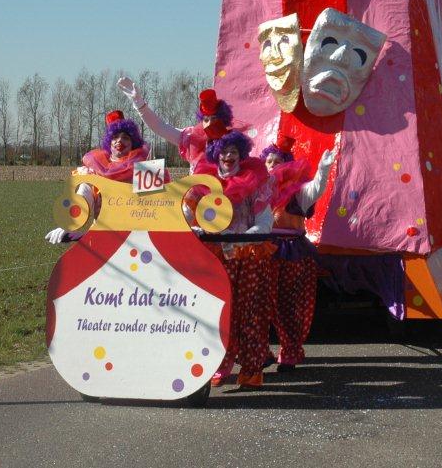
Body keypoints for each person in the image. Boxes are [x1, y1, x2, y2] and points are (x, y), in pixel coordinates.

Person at [194, 131, 276, 389]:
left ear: (241, 155)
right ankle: (217, 365)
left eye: (233, 151)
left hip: (247, 258)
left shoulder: (254, 182)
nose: (228, 156)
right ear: (215, 154)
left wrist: (244, 238)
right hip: (215, 258)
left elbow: (265, 221)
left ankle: (251, 371)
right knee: (215, 314)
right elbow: (190, 215)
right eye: (223, 151)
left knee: (251, 315)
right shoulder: (205, 185)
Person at [260, 135, 334, 371]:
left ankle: (290, 353)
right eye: (269, 161)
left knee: (290, 305)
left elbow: (315, 189)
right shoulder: (257, 190)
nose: (273, 165)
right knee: (259, 304)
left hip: (292, 251)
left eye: (278, 161)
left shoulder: (297, 192)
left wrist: (323, 170)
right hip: (263, 251)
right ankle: (259, 352)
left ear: (287, 165)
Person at [44, 110, 156, 244]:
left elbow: (159, 206)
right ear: (109, 142)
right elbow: (83, 197)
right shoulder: (95, 170)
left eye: (125, 137)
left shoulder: (145, 170)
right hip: (102, 237)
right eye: (115, 137)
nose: (119, 140)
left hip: (137, 238)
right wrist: (70, 223)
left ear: (133, 143)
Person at [117, 77, 232, 173]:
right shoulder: (191, 137)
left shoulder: (233, 140)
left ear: (223, 119)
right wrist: (139, 103)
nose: (210, 123)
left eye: (214, 119)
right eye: (206, 120)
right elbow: (160, 127)